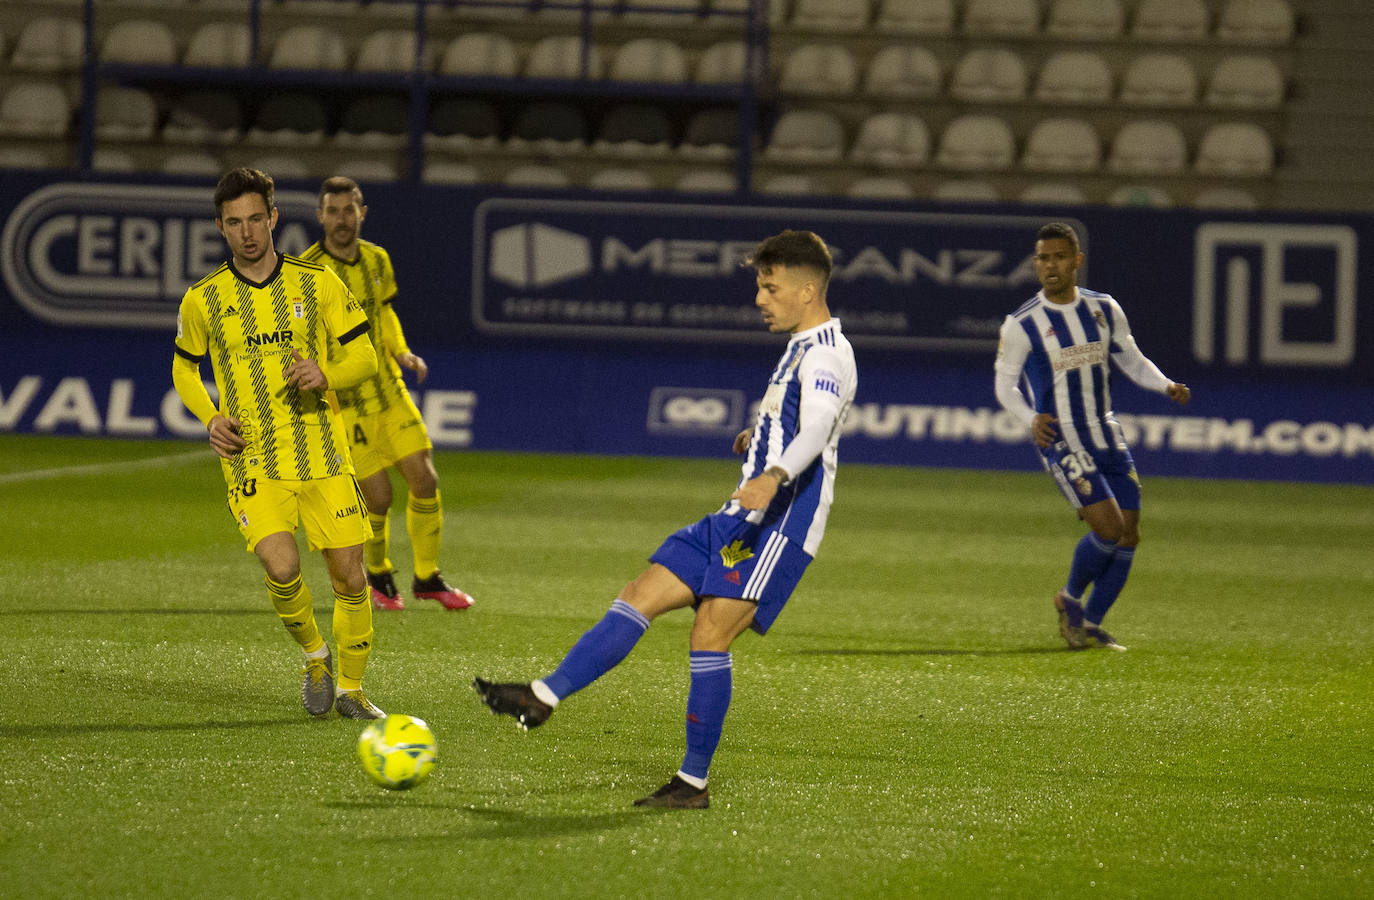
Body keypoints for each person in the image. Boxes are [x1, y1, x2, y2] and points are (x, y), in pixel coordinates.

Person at [474, 230, 858, 809]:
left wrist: (772, 474)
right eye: (760, 284)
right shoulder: (804, 346)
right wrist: (759, 443)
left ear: (807, 290)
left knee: (709, 633)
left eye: (769, 285)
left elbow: (818, 427)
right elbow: (796, 422)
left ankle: (693, 783)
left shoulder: (827, 352)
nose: (759, 297)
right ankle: (543, 696)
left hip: (779, 525)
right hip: (739, 518)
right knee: (640, 592)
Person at [171, 167, 386, 720]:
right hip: (252, 458)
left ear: (273, 218)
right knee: (283, 567)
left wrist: (327, 374)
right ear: (221, 227)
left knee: (349, 574)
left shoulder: (316, 284)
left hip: (324, 452)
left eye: (255, 220)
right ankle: (316, 657)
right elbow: (184, 369)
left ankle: (353, 691)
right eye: (233, 223)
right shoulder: (203, 299)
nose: (246, 232)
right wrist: (210, 417)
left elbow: (365, 355)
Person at [994, 222, 1191, 652]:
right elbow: (1004, 385)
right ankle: (1069, 599)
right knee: (1109, 528)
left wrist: (1165, 385)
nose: (1051, 265)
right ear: (1035, 263)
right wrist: (1030, 418)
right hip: (1062, 439)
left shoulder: (1104, 309)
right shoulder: (1022, 324)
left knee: (1130, 533)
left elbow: (1132, 359)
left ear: (1077, 261)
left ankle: (1089, 625)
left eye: (1060, 257)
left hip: (1106, 431)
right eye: (1043, 258)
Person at [301, 176, 474, 613]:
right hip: (348, 403)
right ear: (320, 216)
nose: (342, 219)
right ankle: (379, 575)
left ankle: (427, 577)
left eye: (349, 210)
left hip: (390, 391)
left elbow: (385, 311)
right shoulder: (307, 273)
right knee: (378, 498)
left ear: (363, 212)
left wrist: (401, 352)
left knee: (425, 478)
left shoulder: (377, 259)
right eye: (333, 211)